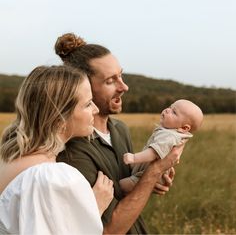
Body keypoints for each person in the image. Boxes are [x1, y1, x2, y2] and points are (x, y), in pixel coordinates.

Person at [55, 33, 184, 234]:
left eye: (121, 75)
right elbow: (109, 230)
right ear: (83, 88)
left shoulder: (120, 130)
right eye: (110, 81)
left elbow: (126, 193)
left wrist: (147, 180)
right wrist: (154, 171)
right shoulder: (72, 149)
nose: (124, 87)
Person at [0, 65, 114, 235]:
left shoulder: (9, 158)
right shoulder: (49, 178)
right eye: (88, 104)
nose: (96, 110)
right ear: (60, 117)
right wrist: (95, 208)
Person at [120, 99, 203, 193]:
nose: (167, 110)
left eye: (174, 112)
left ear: (183, 128)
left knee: (122, 186)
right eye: (170, 107)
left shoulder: (170, 136)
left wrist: (134, 158)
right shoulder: (169, 132)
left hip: (147, 175)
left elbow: (153, 153)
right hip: (145, 169)